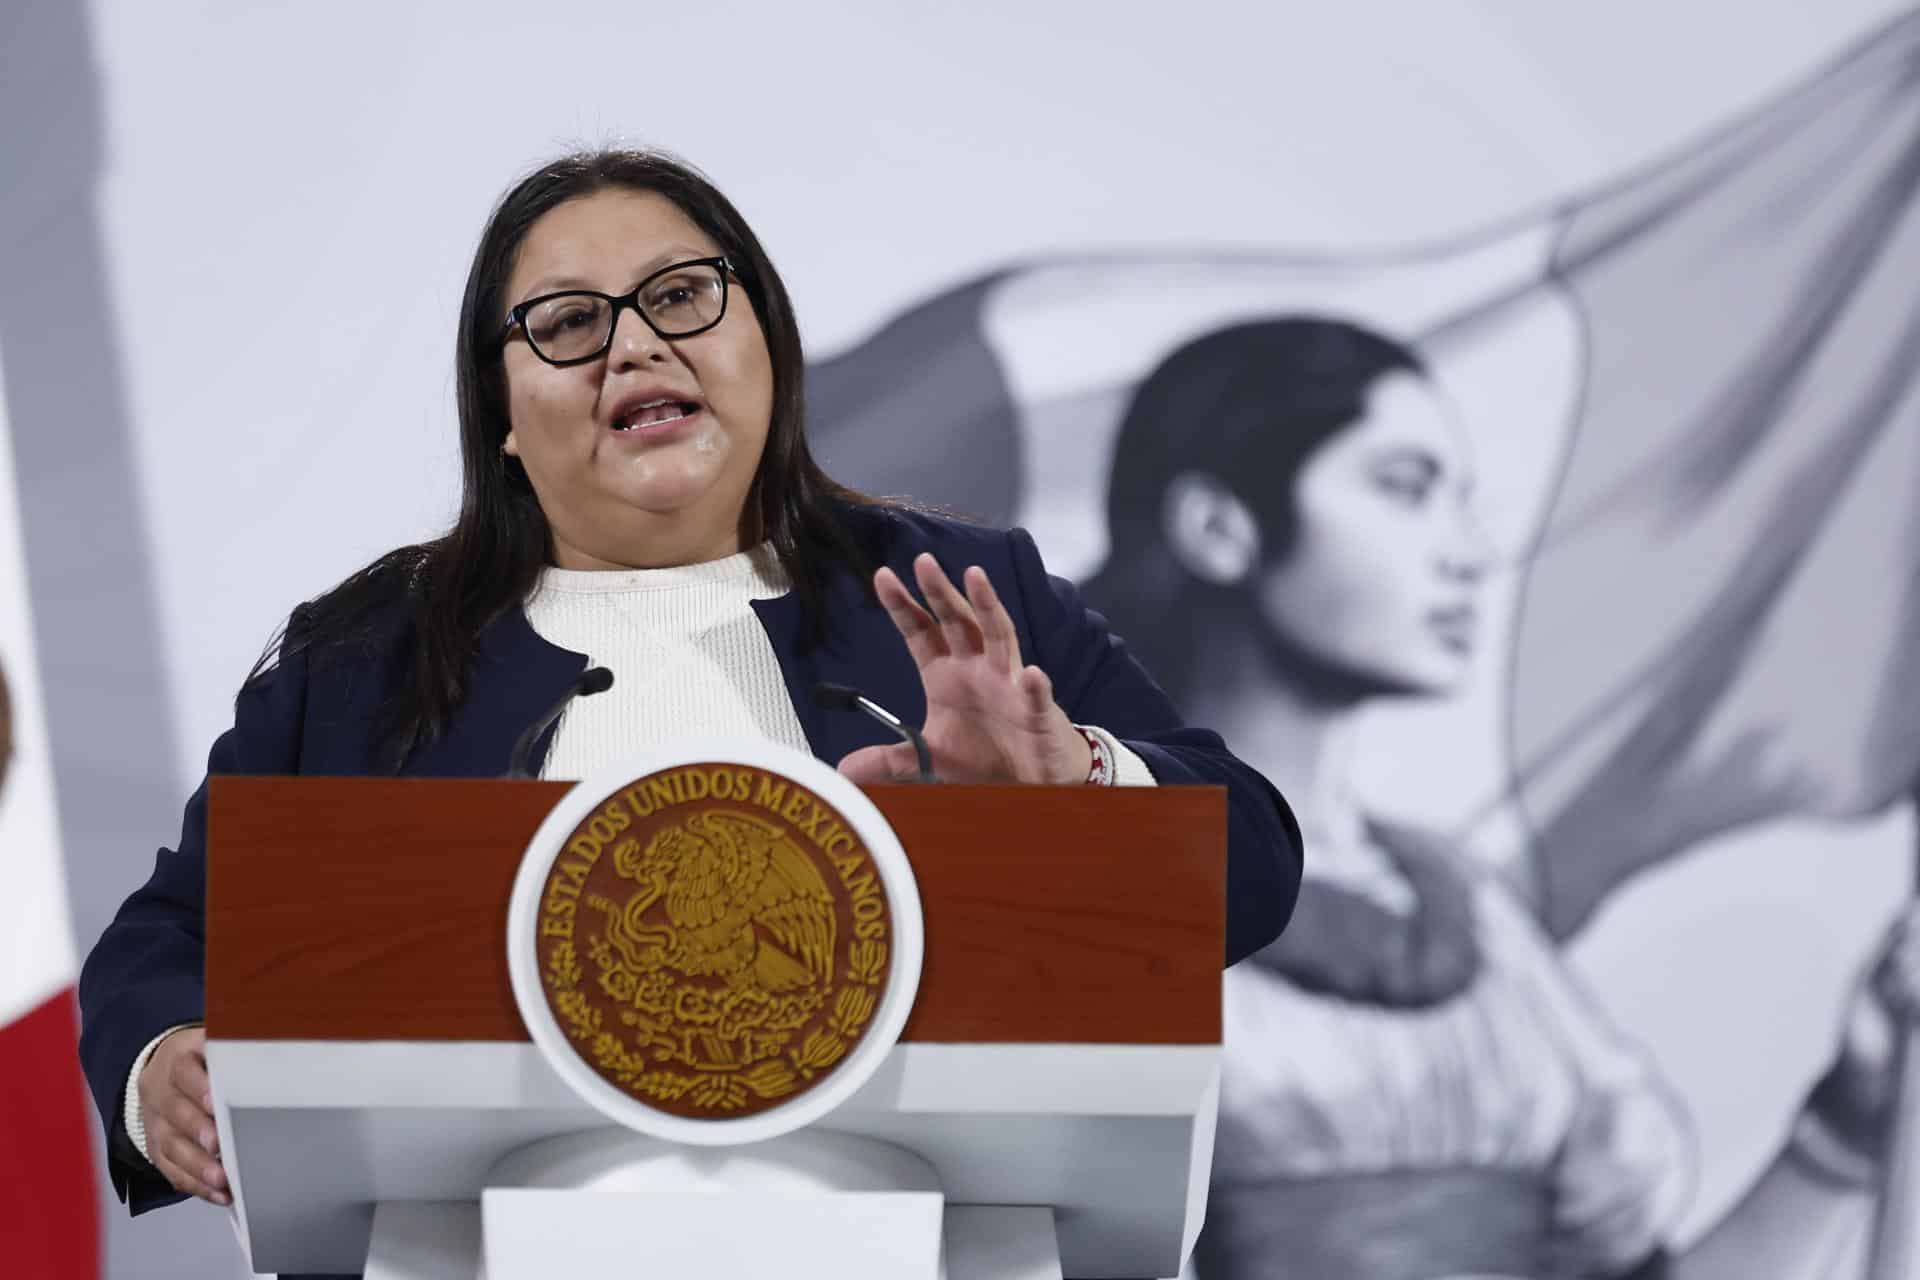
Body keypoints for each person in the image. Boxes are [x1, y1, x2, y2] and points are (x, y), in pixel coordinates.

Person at [74, 150, 1304, 1259]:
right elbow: (165, 942)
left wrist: (1071, 779)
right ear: (501, 415)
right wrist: (162, 1064)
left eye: (679, 297)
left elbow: (1251, 862)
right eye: (566, 323)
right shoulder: (365, 658)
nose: (634, 346)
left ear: (764, 338)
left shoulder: (952, 594)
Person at [1081, 317, 1920, 1279]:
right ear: (1217, 527)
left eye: (1463, 501)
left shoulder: (1472, 914)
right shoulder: (1079, 888)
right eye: (1405, 488)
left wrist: (1843, 1130)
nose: (1469, 553)